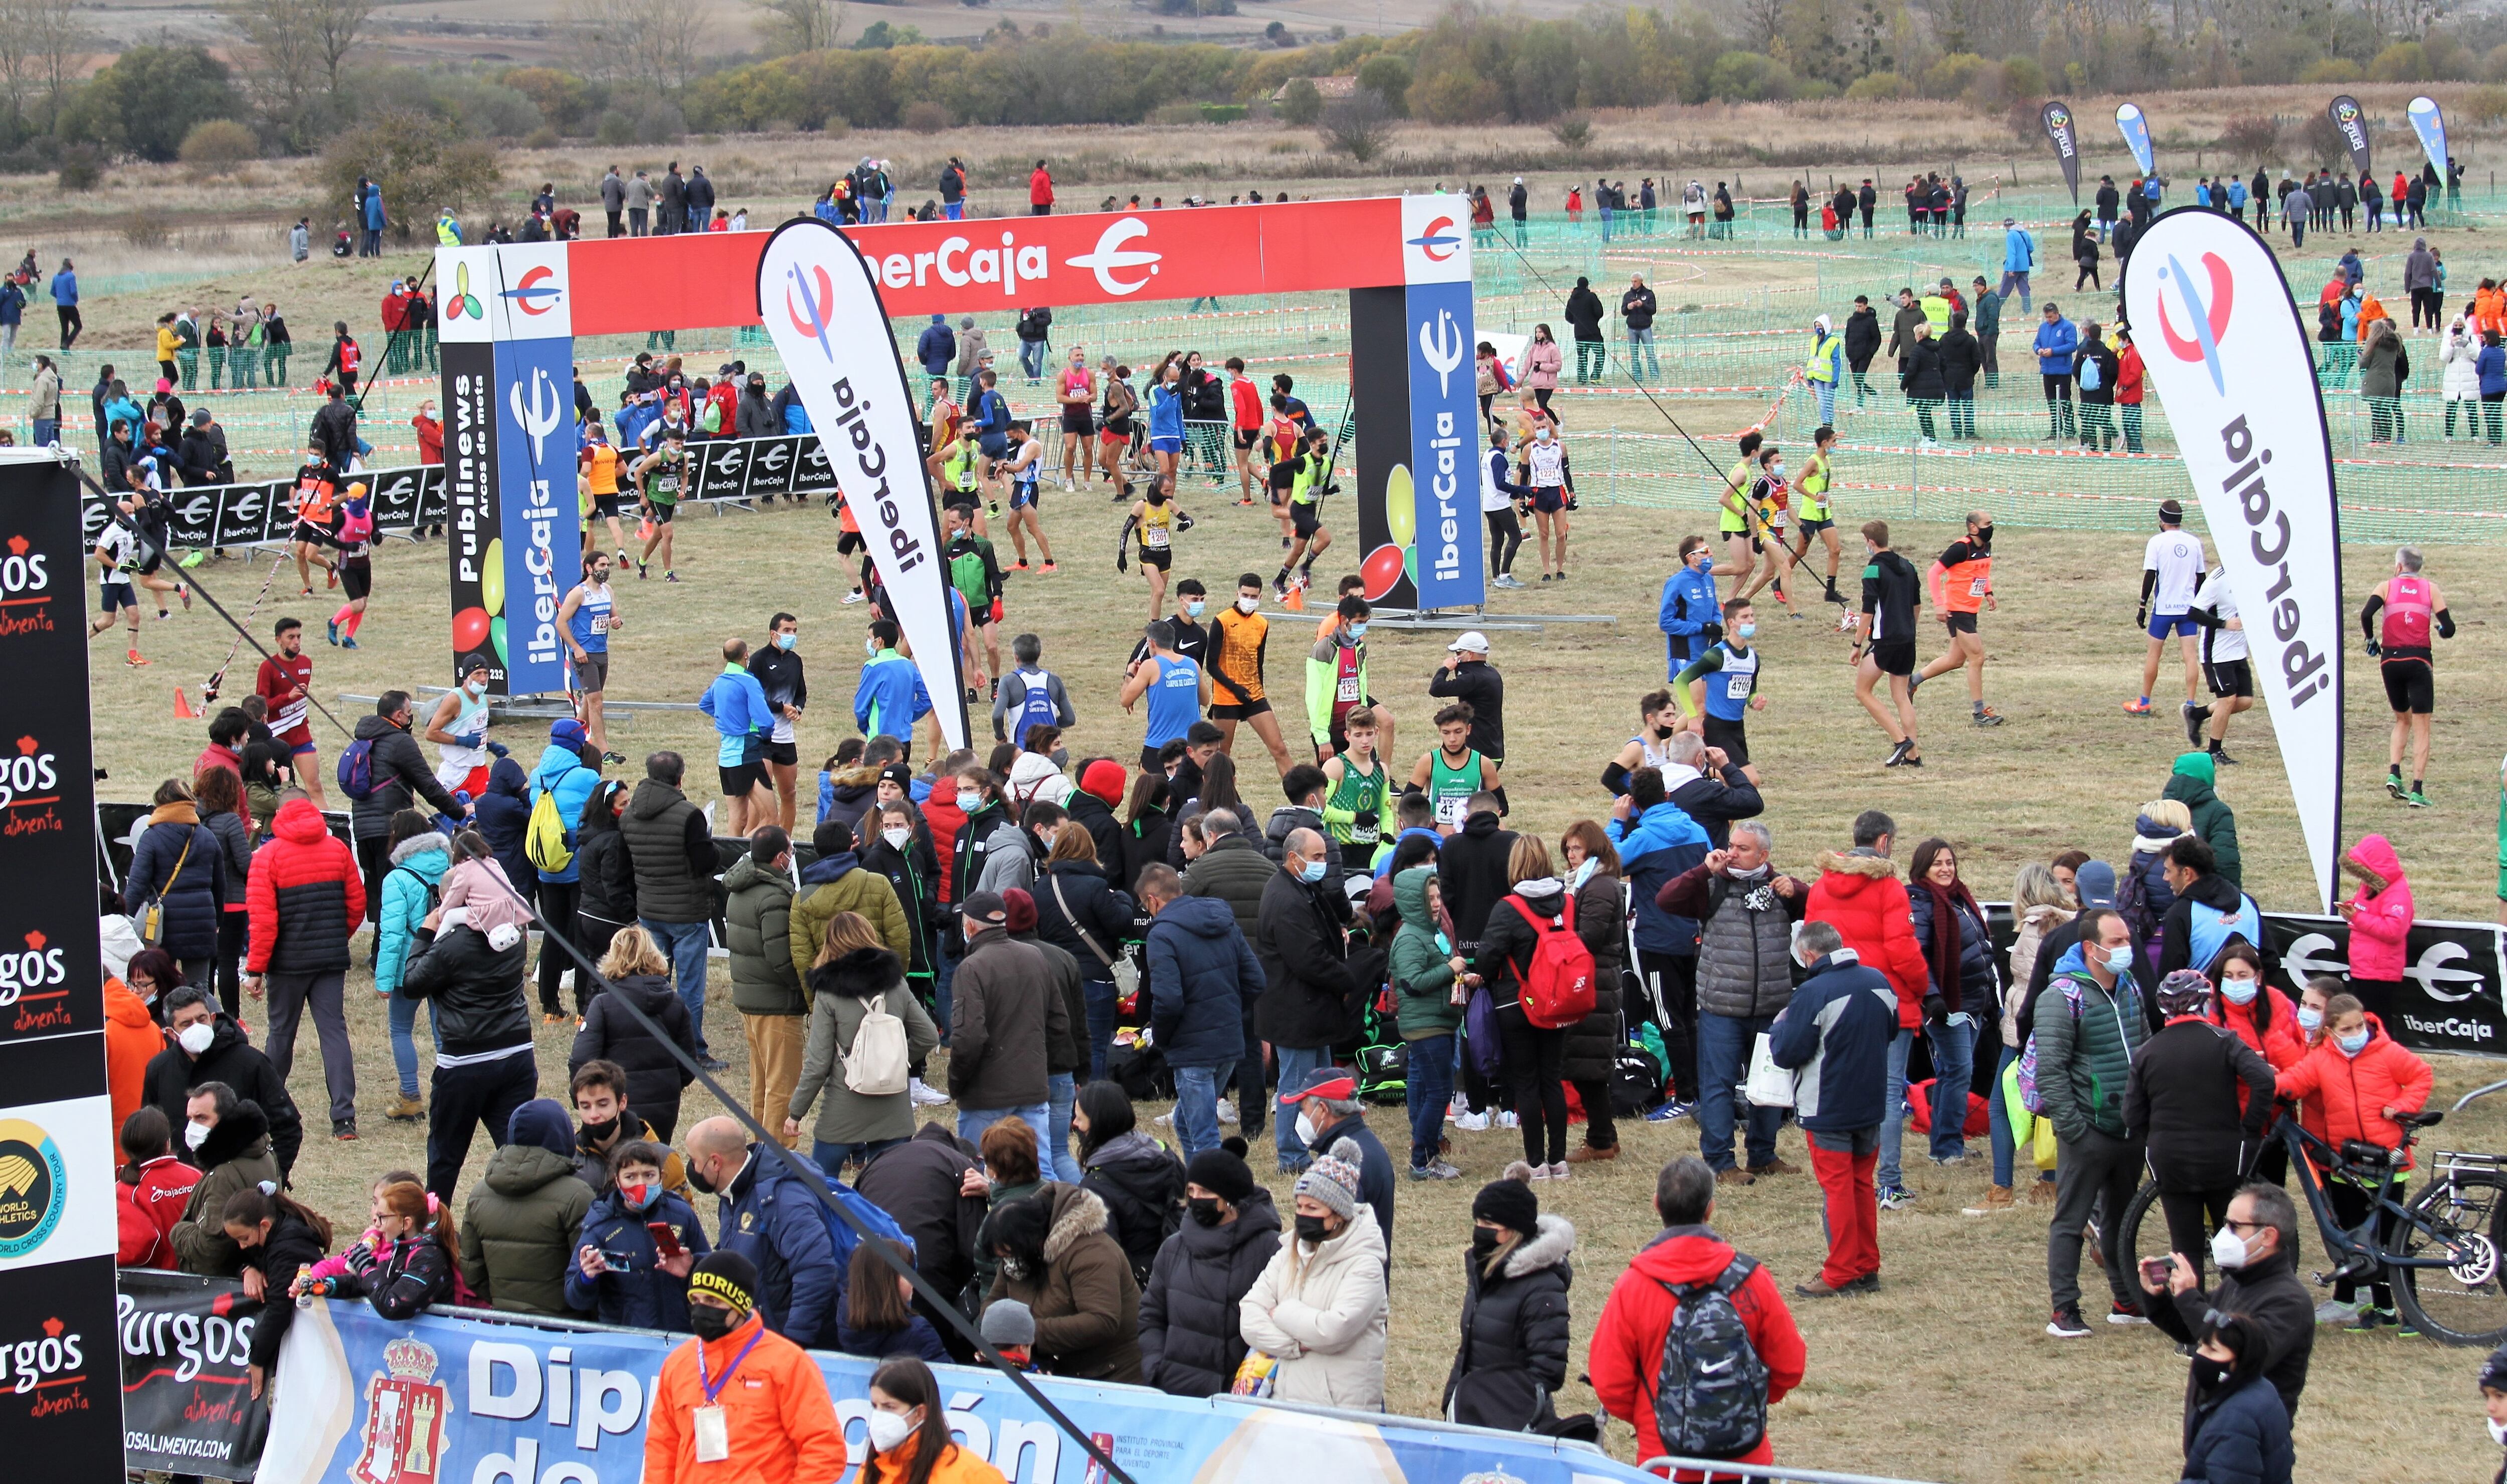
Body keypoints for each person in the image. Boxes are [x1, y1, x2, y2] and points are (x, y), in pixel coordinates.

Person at [1588, 1157, 1807, 1480]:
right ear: (1711, 1209)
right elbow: (1789, 1366)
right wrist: (1742, 1399)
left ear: (1657, 1205)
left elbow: (1610, 1382)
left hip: (1664, 1463)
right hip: (1746, 1462)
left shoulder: (1633, 1286)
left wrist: (1653, 1418)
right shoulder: (1752, 1278)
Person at [1659, 822, 1807, 1183]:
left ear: (1764, 855)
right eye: (1732, 845)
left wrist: (1800, 891)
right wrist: (1702, 870)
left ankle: (1762, 1155)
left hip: (1772, 1006)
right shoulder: (1711, 884)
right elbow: (1666, 899)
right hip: (1721, 1008)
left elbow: (1824, 909)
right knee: (1718, 1086)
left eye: (1743, 848)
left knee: (1770, 1086)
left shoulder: (1781, 888)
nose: (1733, 853)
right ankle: (1720, 1162)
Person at [2277, 993, 2432, 1329]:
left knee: (2394, 1240)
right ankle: (2384, 1310)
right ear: (2331, 1031)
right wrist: (2263, 1080)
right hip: (2345, 1162)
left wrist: (2405, 1105)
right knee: (2358, 1237)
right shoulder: (2321, 1059)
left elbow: (2421, 1075)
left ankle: (2412, 1314)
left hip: (2388, 1160)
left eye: (2360, 1025)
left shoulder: (2388, 1052)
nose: (2357, 1033)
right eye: (2348, 1028)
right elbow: (2295, 1081)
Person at [1805, 810, 1930, 1207]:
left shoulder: (1822, 886)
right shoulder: (1890, 887)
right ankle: (1889, 1182)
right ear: (1883, 842)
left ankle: (1845, 1175)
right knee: (1890, 1092)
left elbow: (1809, 943)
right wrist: (1921, 986)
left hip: (1835, 1000)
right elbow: (1902, 949)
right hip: (1885, 1000)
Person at [2039, 906, 2154, 1336]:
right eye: (2118, 942)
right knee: (2071, 1221)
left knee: (2123, 1221)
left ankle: (2126, 1299)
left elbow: (2144, 1051)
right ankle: (2064, 1309)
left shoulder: (2129, 989)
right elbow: (2051, 1070)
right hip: (2087, 1130)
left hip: (2128, 1130)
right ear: (2091, 948)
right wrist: (2073, 1129)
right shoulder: (2062, 996)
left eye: (2128, 940)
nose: (2128, 949)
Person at [644, 1250, 848, 1484]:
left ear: (739, 1305)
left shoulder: (787, 1362)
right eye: (695, 1301)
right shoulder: (678, 1363)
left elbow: (824, 1448)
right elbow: (661, 1448)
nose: (701, 1310)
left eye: (712, 1301)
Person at [2127, 970, 2276, 1285]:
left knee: (2185, 1248)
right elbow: (2263, 1079)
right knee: (2231, 1242)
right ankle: (2231, 1314)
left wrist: (2154, 1138)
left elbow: (2131, 1115)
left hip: (2170, 1160)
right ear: (2205, 1004)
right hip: (2223, 1155)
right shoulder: (2224, 1041)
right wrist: (2250, 1128)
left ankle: (2190, 1327)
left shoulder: (2147, 1052)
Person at [1237, 1139, 1388, 1408]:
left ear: (1338, 1215)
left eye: (1312, 1209)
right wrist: (1294, 1345)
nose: (1302, 1215)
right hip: (1285, 1403)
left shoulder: (1365, 1265)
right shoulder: (1288, 1252)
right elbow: (1249, 1314)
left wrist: (1280, 1313)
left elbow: (1333, 1331)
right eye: (1299, 1207)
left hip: (1341, 1409)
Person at [2145, 1181, 2315, 1419]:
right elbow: (2195, 1332)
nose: (2224, 1232)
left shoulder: (2289, 1301)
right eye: (2226, 1223)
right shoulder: (2238, 1281)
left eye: (2234, 1226)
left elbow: (2239, 1353)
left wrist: (2189, 1296)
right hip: (2215, 1427)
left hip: (2251, 1432)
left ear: (2267, 1236)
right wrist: (2159, 1298)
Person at [788, 910, 940, 1173]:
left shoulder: (828, 993)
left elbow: (818, 1064)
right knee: (888, 1191)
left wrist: (795, 1113)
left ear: (831, 943)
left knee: (823, 1187)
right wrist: (896, 1061)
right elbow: (928, 1035)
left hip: (845, 1104)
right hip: (894, 1106)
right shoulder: (898, 985)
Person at [1255, 830, 1371, 1173]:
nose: (1323, 864)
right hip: (1297, 1010)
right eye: (1317, 857)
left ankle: (1316, 1145)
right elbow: (1308, 958)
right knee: (1296, 1087)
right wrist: (1346, 979)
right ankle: (1291, 1155)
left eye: (1324, 857)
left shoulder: (1299, 889)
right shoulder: (1287, 899)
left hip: (1310, 1008)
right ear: (1294, 858)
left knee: (1319, 1084)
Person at [1138, 863, 1264, 1163]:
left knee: (1205, 1133)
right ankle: (1197, 1183)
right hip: (1228, 1039)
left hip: (1192, 1046)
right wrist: (1231, 1012)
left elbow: (1168, 999)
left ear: (1153, 900)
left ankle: (1214, 1195)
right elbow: (1256, 980)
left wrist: (1163, 1039)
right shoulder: (1225, 922)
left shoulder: (1162, 934)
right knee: (1185, 1121)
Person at [1474, 836, 1579, 1179]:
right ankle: (1559, 1159)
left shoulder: (1509, 907)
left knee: (1526, 1081)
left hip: (1515, 1001)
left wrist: (1484, 975)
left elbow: (1488, 955)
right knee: (1552, 1077)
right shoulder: (1566, 903)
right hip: (1557, 1002)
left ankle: (1535, 1162)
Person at [1139, 1145, 1281, 1396]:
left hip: (1241, 1398)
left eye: (1206, 1191)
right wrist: (1156, 1368)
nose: (1196, 1198)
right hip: (1176, 1392)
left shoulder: (1269, 1249)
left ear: (1230, 1198)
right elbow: (1151, 1316)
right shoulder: (1173, 1248)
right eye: (1191, 1190)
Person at [1443, 1169, 1576, 1432]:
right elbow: (1470, 1348)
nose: (1480, 1231)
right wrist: (1453, 1401)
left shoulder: (1543, 1287)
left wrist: (1499, 1408)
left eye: (1489, 1226)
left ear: (1515, 1231)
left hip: (1512, 1424)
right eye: (1478, 1222)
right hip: (1473, 1416)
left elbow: (1548, 1370)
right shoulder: (1485, 1272)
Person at [982, 1184, 1145, 1382]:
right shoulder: (1020, 1256)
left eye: (1009, 1254)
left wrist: (1023, 1332)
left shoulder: (1093, 1252)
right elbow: (993, 1304)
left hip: (1112, 1372)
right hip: (1059, 1369)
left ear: (1031, 1242)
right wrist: (998, 1334)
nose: (1008, 1261)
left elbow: (1102, 1320)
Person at [622, 752, 724, 1068]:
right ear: (680, 777)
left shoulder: (628, 815)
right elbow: (706, 862)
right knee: (690, 987)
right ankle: (692, 1050)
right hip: (687, 913)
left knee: (654, 983)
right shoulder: (688, 815)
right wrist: (710, 843)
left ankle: (656, 1044)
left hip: (650, 909)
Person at [947, 891, 1064, 1146]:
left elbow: (969, 1037)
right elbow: (1058, 1023)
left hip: (986, 1094)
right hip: (1032, 1088)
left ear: (969, 926)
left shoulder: (972, 968)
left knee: (975, 1170)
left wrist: (956, 1082)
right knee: (1037, 1169)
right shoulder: (1035, 957)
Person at [458, 1099, 595, 1316]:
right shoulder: (577, 1195)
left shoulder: (479, 1193)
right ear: (562, 1136)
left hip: (507, 1321)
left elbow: (471, 1269)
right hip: (567, 1327)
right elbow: (589, 1269)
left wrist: (504, 1301)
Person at [1905, 837, 1992, 1166]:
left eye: (1949, 862)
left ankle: (1945, 1142)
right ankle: (1947, 1148)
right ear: (1923, 868)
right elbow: (1918, 956)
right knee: (1958, 1072)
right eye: (1938, 863)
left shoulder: (1959, 900)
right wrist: (1933, 998)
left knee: (1952, 1073)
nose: (1945, 869)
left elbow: (1980, 950)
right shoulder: (1921, 904)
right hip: (1947, 1007)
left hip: (1973, 1001)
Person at [572, 927, 700, 1141]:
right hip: (664, 1106)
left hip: (616, 1106)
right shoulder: (675, 1002)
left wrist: (586, 1099)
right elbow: (689, 1064)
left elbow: (581, 1060)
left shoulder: (603, 1005)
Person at [568, 1139, 709, 1329]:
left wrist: (692, 1266)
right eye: (631, 1177)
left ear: (661, 1176)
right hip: (628, 1342)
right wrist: (587, 1277)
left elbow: (711, 1270)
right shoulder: (600, 1224)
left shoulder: (681, 1214)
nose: (641, 1184)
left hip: (680, 1336)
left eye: (649, 1175)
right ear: (618, 1180)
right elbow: (575, 1299)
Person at [221, 1184, 332, 1399]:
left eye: (244, 1239)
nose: (242, 1246)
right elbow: (237, 1256)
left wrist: (257, 1358)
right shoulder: (269, 1235)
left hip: (315, 1331)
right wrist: (247, 1269)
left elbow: (280, 1309)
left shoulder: (288, 1248)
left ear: (264, 1225)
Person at [2363, 545, 2452, 807]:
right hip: (2419, 659)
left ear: (2399, 566)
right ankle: (2417, 791)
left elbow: (2367, 614)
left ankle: (2394, 773)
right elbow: (2450, 628)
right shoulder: (2430, 589)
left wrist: (2371, 640)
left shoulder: (2386, 586)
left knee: (2403, 720)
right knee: (2422, 725)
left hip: (2390, 660)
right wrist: (2441, 631)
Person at [167, 1083, 284, 1275]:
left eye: (202, 1118)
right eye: (190, 1119)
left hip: (218, 1288)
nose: (192, 1128)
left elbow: (210, 1250)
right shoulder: (261, 1150)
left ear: (226, 1120)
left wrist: (178, 1232)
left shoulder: (223, 1174)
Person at [1073, 1082, 1185, 1282]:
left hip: (1140, 1283)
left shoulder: (1095, 1187)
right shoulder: (1165, 1154)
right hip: (1183, 1267)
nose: (1075, 1124)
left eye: (1080, 1118)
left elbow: (1106, 1255)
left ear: (1098, 1124)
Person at [125, 779, 225, 990]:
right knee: (199, 988)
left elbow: (137, 884)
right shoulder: (207, 836)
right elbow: (220, 884)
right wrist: (217, 920)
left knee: (160, 986)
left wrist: (124, 917)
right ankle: (202, 1022)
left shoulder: (151, 838)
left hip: (163, 923)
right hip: (201, 920)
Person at [1911, 510, 2002, 727]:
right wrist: (1939, 605)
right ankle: (1980, 713)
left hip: (1971, 611)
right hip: (1957, 612)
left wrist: (1988, 593)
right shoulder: (1961, 548)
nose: (1991, 527)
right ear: (1973, 527)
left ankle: (1912, 682)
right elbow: (1934, 573)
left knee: (1955, 660)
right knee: (1977, 658)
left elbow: (1982, 573)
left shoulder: (1985, 547)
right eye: (1987, 523)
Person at [854, 1357, 1004, 1484]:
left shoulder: (973, 1476)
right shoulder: (871, 1472)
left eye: (890, 1407)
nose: (879, 1415)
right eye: (875, 1406)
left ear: (920, 1413)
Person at [1850, 520, 1924, 766]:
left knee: (1863, 691)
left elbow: (1868, 611)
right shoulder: (1909, 566)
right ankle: (1914, 757)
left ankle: (1900, 740)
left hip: (1886, 641)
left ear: (1871, 543)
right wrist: (1909, 628)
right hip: (1907, 639)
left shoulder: (1873, 570)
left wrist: (1857, 644)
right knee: (1901, 696)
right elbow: (1917, 604)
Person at [1672, 599, 1769, 781]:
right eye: (1745, 617)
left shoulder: (1752, 658)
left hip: (1737, 728)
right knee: (1749, 780)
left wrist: (1754, 700)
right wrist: (1693, 717)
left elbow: (1750, 691)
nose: (1751, 621)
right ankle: (1702, 774)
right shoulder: (1718, 655)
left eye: (1752, 616)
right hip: (1717, 728)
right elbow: (1681, 681)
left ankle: (1707, 778)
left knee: (1736, 788)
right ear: (1732, 623)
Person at [2130, 498, 2208, 721]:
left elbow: (2150, 575)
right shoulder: (2194, 543)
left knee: (2154, 654)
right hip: (2188, 609)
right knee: (2190, 657)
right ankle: (2191, 704)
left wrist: (2142, 605)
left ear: (2162, 520)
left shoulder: (2156, 542)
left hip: (2164, 609)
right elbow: (2201, 578)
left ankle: (2144, 702)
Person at [570, 1058, 688, 1197]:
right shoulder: (569, 1157)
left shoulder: (663, 1158)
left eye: (603, 1104)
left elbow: (684, 1215)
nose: (594, 1115)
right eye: (585, 1106)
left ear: (622, 1102)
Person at [117, 1106, 199, 1268]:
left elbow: (136, 1248)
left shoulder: (126, 1189)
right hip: (203, 1281)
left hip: (158, 1286)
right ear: (167, 1142)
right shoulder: (195, 1175)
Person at [1412, 702, 1501, 835]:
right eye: (1446, 733)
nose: (1452, 739)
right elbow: (1408, 803)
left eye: (1458, 732)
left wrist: (1478, 821)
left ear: (1469, 730)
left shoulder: (1483, 763)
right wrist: (1436, 825)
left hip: (1472, 833)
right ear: (1440, 732)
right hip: (1436, 834)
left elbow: (1502, 806)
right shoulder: (1428, 762)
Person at [2165, 750, 2244, 889]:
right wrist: (2233, 897)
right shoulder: (2218, 811)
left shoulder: (2160, 809)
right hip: (2200, 892)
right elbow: (2226, 862)